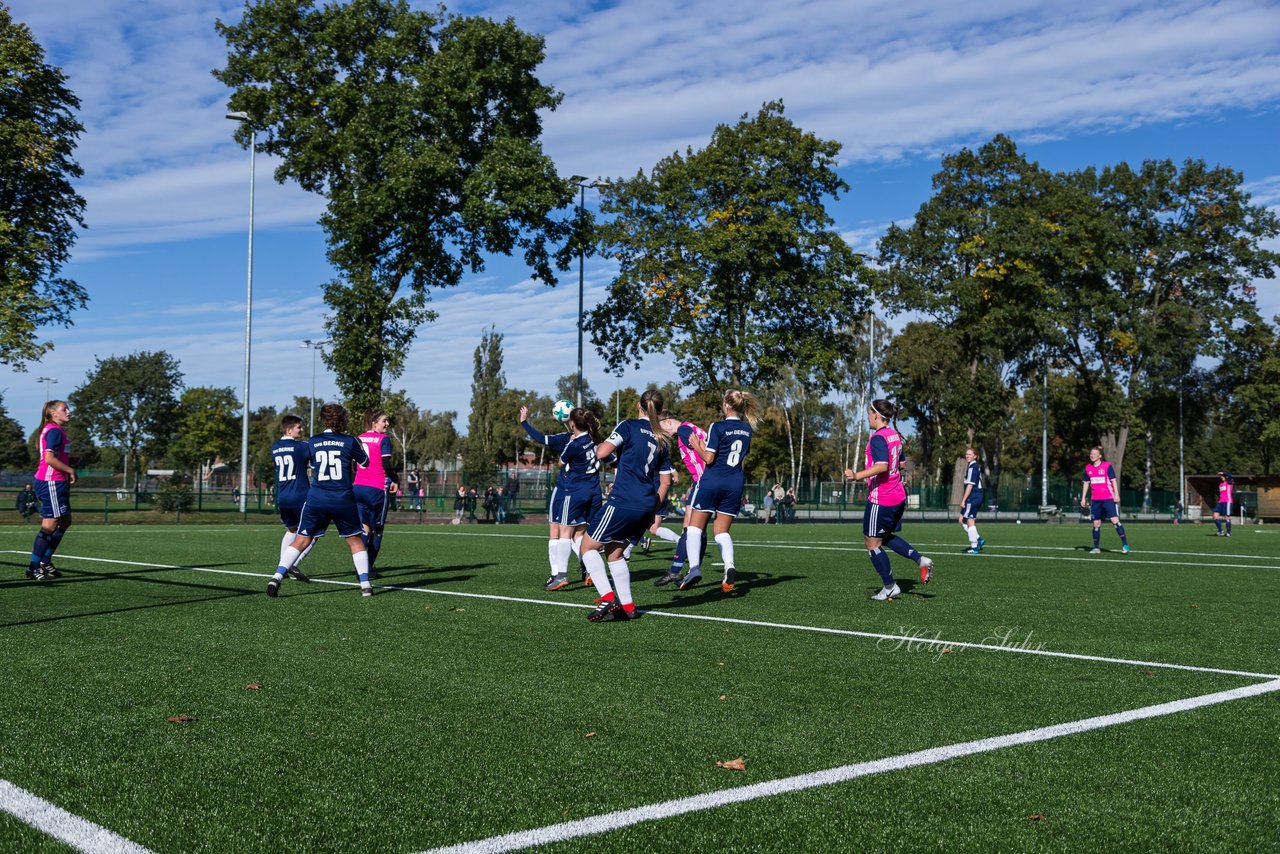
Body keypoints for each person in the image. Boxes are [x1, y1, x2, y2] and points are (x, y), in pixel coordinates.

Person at [578, 389, 673, 621]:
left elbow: (602, 453)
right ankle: (629, 607)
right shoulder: (664, 439)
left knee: (586, 548)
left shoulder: (628, 426)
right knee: (614, 553)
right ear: (660, 411)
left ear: (638, 407)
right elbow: (665, 481)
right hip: (646, 503)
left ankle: (608, 599)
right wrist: (653, 509)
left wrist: (602, 443)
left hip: (624, 500)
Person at [267, 403, 373, 597]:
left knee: (301, 539)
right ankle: (365, 585)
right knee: (355, 541)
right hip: (342, 497)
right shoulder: (349, 441)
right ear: (343, 420)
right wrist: (359, 446)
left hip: (317, 497)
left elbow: (310, 460)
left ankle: (276, 577)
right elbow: (365, 462)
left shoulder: (313, 441)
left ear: (323, 420)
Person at [844, 399, 934, 600]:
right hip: (897, 495)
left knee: (872, 543)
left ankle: (889, 586)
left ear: (876, 415)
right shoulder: (894, 436)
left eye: (869, 413)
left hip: (881, 498)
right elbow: (902, 464)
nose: (868, 417)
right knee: (884, 537)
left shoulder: (878, 438)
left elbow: (883, 465)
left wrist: (857, 475)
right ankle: (920, 559)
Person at [679, 389, 760, 593]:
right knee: (721, 531)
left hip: (713, 480)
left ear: (725, 406)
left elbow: (709, 458)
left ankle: (694, 568)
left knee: (694, 528)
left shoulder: (718, 426)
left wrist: (696, 445)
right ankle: (729, 567)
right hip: (734, 482)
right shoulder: (747, 429)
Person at [519, 403, 604, 591]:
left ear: (571, 423)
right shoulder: (595, 439)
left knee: (560, 531)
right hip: (594, 491)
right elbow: (611, 458)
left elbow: (556, 456)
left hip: (570, 490)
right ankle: (590, 570)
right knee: (581, 534)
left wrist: (524, 423)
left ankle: (559, 574)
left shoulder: (570, 442)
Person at [653, 411, 709, 586]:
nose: (664, 435)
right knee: (699, 528)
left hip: (704, 481)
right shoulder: (689, 428)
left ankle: (676, 570)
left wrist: (704, 478)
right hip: (702, 481)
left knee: (690, 526)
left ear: (668, 422)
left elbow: (706, 453)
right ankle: (692, 570)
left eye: (662, 430)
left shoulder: (684, 431)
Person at [27, 400, 77, 580]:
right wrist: (70, 470)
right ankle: (34, 566)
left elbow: (56, 456)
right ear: (53, 413)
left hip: (57, 482)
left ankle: (45, 562)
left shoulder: (57, 430)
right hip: (51, 482)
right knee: (50, 524)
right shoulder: (54, 430)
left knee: (65, 521)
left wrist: (71, 462)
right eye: (65, 409)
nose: (69, 412)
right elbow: (49, 459)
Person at [270, 414, 316, 584]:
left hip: (283, 496)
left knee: (291, 530)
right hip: (300, 495)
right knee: (314, 533)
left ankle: (283, 563)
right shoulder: (301, 447)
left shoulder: (274, 447)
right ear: (289, 430)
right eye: (299, 427)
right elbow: (313, 463)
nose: (302, 429)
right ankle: (292, 563)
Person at [354, 410, 393, 573]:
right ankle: (367, 569)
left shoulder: (358, 438)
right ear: (374, 423)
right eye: (384, 421)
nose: (387, 424)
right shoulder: (384, 439)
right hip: (376, 489)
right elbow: (386, 463)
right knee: (378, 530)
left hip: (358, 487)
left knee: (364, 529)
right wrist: (395, 479)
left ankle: (360, 568)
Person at [1079, 446, 1131, 554]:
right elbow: (1086, 483)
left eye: (1094, 453)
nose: (1092, 455)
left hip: (1108, 498)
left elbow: (1113, 481)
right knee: (1096, 524)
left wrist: (1116, 494)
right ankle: (1096, 548)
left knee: (1114, 521)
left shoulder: (1107, 466)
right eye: (1091, 453)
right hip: (1096, 500)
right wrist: (1083, 498)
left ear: (1100, 456)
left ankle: (1125, 544)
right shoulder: (1088, 468)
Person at [958, 447, 986, 554]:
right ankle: (978, 539)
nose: (967, 456)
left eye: (970, 454)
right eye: (966, 454)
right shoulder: (972, 466)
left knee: (970, 520)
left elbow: (970, 485)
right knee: (961, 520)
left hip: (974, 497)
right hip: (974, 497)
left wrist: (963, 500)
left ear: (975, 456)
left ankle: (974, 547)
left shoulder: (973, 467)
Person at [1213, 471, 1234, 537]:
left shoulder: (1229, 482)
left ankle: (1228, 532)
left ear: (1226, 476)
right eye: (1221, 476)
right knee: (1215, 516)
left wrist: (1223, 473)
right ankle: (1220, 531)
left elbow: (1230, 475)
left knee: (1226, 517)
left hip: (1227, 501)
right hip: (1220, 502)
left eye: (1222, 476)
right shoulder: (1220, 484)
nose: (1221, 477)